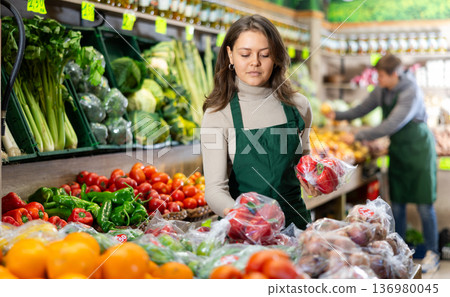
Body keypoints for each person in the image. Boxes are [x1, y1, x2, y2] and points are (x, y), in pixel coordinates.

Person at [200, 15, 319, 230]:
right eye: (245, 54)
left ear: (276, 58)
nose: (255, 62)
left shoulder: (299, 106)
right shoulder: (218, 114)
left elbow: (304, 155)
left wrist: (311, 176)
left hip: (297, 226)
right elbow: (215, 190)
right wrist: (241, 217)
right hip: (246, 231)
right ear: (230, 55)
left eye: (264, 54)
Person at [324, 54, 439, 273]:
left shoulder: (410, 91)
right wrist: (337, 114)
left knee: (424, 205)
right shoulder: (382, 89)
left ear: (394, 75)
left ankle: (433, 253)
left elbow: (392, 123)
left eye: (381, 76)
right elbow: (362, 109)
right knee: (397, 204)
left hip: (419, 150)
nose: (378, 80)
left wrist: (359, 135)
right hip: (398, 150)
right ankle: (400, 251)